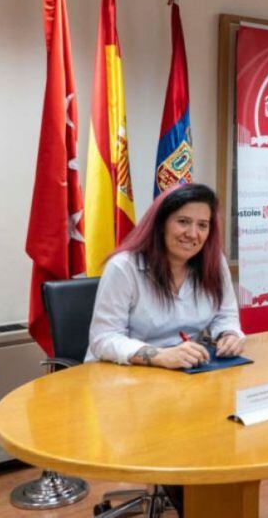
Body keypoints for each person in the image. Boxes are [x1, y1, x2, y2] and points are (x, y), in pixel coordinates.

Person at [87, 183, 245, 517]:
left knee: (223, 438)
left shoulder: (212, 262)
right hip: (125, 382)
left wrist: (230, 333)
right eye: (183, 222)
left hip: (187, 378)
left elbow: (225, 314)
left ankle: (200, 496)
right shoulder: (125, 267)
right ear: (160, 224)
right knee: (188, 449)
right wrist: (158, 355)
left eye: (203, 225)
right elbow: (103, 338)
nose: (193, 234)